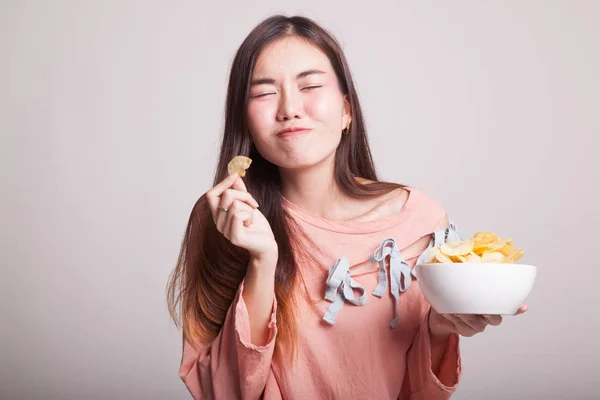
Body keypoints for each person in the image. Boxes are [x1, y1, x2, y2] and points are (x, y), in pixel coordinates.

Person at [167, 14, 527, 400]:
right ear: (245, 121)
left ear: (346, 110)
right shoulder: (222, 218)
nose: (289, 108)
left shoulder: (420, 220)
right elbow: (220, 392)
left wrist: (440, 329)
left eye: (310, 85)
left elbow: (419, 391)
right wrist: (262, 260)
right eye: (264, 93)